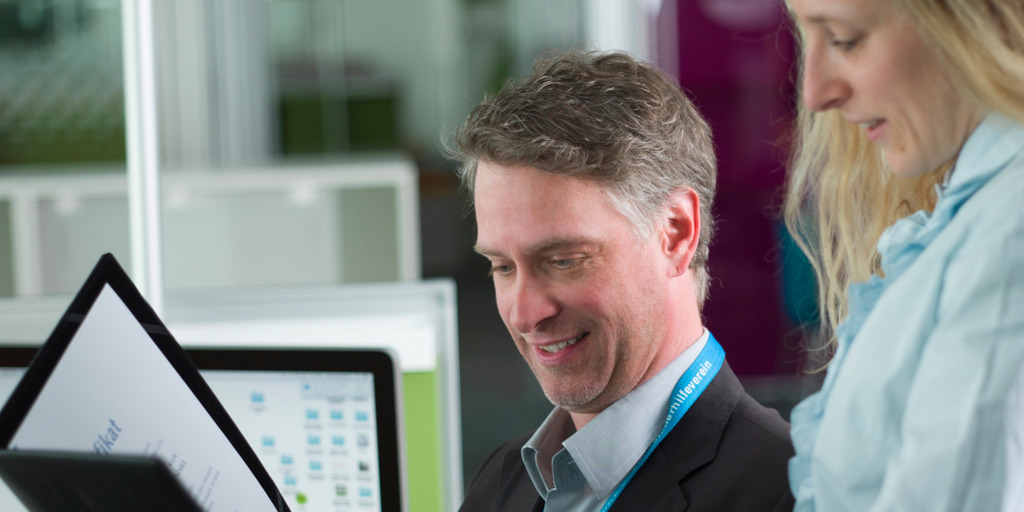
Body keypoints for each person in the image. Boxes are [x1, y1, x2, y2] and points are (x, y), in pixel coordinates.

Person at [450, 50, 794, 511]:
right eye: (502, 267)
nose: (524, 313)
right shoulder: (500, 481)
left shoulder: (790, 491)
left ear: (676, 233)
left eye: (565, 260)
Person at [783, 0, 1024, 510]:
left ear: (975, 19)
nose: (815, 93)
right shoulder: (972, 215)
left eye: (845, 38)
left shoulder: (1008, 234)